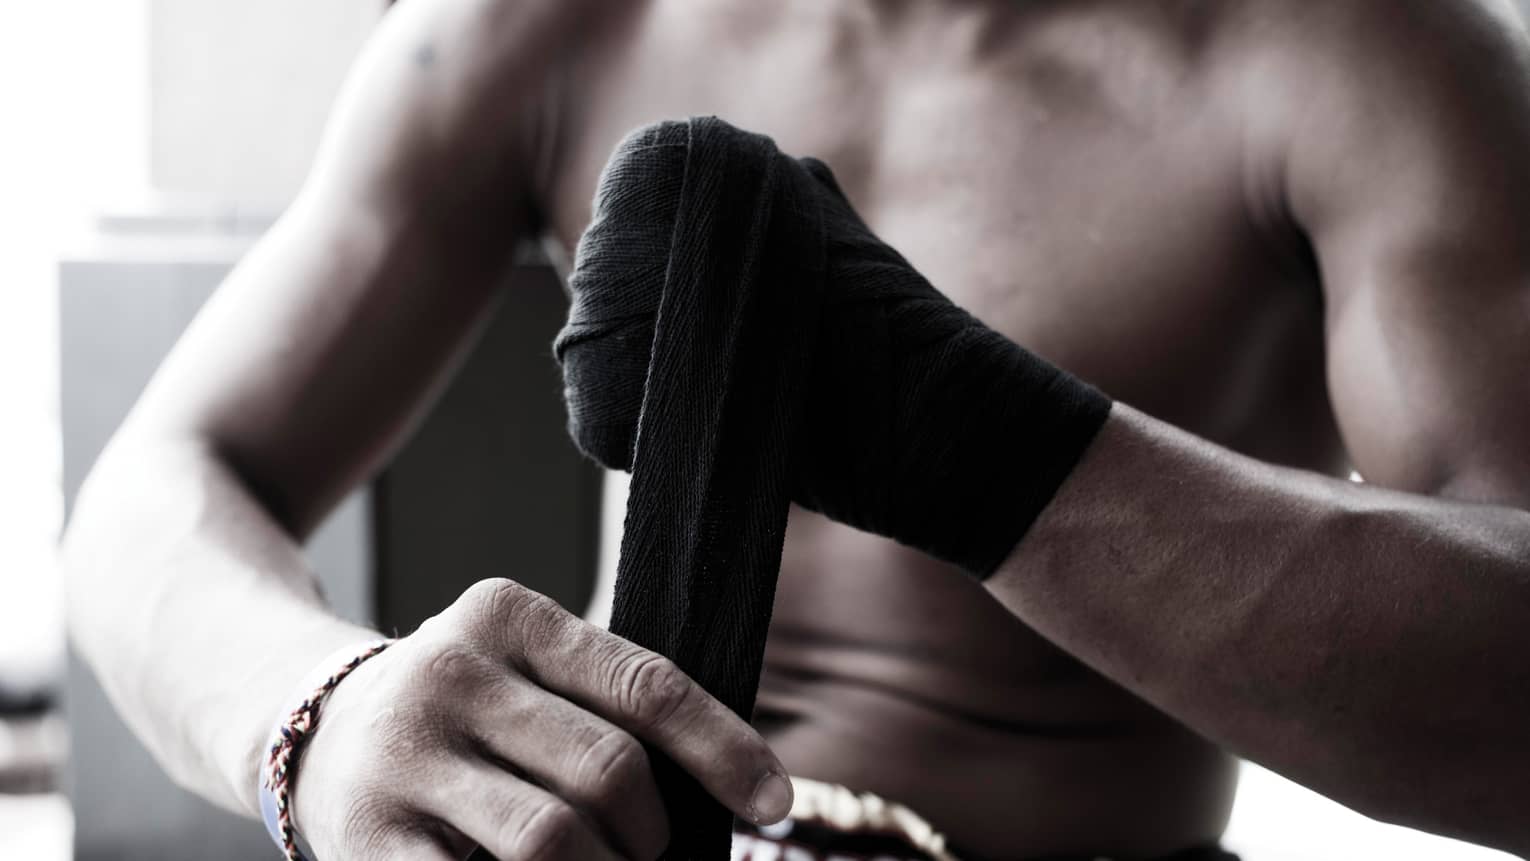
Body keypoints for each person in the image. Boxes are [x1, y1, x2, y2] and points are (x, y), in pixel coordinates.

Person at [60, 0, 1530, 859]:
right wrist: (315, 716)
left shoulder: (1354, 58)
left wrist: (980, 445)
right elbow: (158, 489)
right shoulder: (547, 22)